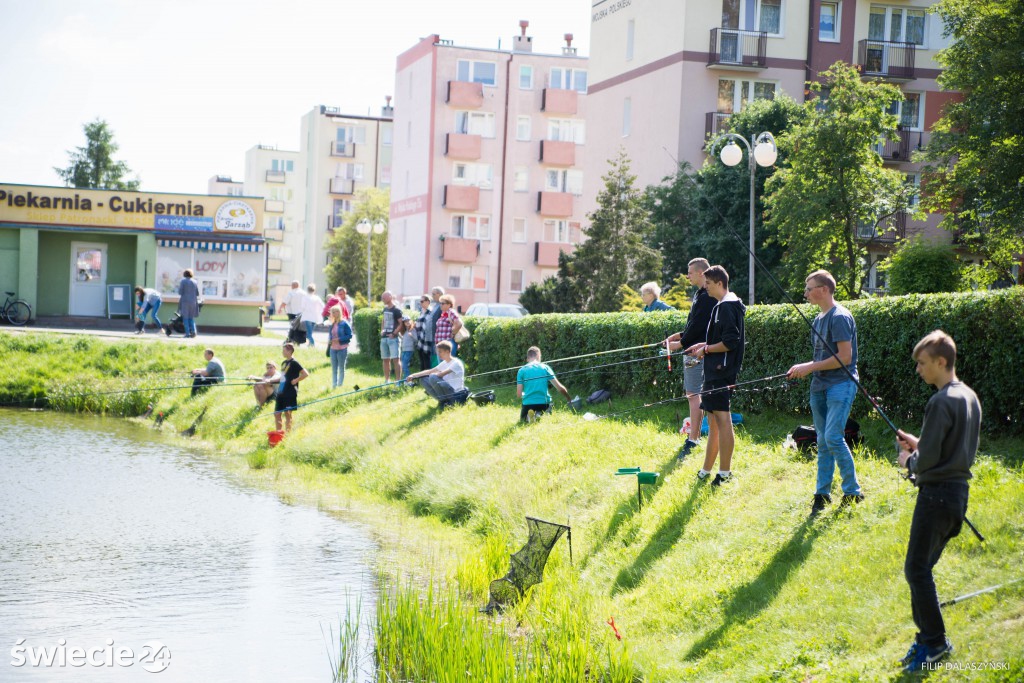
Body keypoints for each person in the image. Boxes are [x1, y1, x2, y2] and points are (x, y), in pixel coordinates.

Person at [894, 331, 980, 672]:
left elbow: (926, 460)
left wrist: (909, 461)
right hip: (957, 495)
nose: (919, 370)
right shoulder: (968, 397)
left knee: (916, 569)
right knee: (922, 569)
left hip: (936, 496)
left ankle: (934, 642)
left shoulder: (941, 401)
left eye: (923, 363)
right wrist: (920, 443)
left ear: (941, 362)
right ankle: (929, 637)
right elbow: (947, 446)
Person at [786, 270, 864, 514]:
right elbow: (822, 357)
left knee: (832, 437)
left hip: (841, 384)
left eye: (810, 288)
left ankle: (853, 492)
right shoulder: (819, 319)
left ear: (824, 289)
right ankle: (822, 493)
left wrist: (809, 367)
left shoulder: (840, 317)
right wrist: (805, 369)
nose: (806, 293)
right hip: (818, 386)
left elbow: (844, 357)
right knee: (822, 439)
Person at [683, 265, 745, 486]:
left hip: (721, 373)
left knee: (723, 420)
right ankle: (706, 469)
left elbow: (730, 342)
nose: (705, 287)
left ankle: (725, 472)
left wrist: (706, 350)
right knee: (714, 422)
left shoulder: (727, 307)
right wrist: (704, 344)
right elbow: (721, 339)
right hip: (713, 372)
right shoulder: (722, 305)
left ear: (719, 283)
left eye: (708, 283)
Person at [664, 258, 716, 459]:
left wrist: (681, 344)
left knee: (693, 395)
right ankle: (696, 436)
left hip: (697, 352)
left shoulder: (706, 296)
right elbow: (694, 324)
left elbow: (700, 328)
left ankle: (693, 439)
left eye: (690, 273)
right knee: (695, 394)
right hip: (694, 349)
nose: (687, 276)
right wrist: (678, 336)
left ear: (701, 273)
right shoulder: (701, 294)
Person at [516, 346, 572, 422]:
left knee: (523, 421)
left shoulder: (521, 370)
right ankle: (539, 414)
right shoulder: (545, 367)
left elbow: (519, 394)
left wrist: (525, 394)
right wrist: (568, 398)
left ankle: (529, 417)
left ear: (527, 358)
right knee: (546, 409)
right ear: (538, 355)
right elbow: (559, 387)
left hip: (528, 404)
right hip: (543, 403)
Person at [407, 340, 465, 407]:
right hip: (446, 391)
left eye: (440, 352)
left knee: (432, 377)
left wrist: (434, 375)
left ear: (447, 351)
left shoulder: (456, 363)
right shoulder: (444, 363)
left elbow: (440, 374)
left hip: (455, 393)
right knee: (423, 379)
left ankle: (444, 402)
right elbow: (429, 371)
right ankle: (443, 401)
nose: (438, 354)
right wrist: (413, 376)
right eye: (438, 352)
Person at [275, 342, 309, 432]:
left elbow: (305, 374)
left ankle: (288, 434)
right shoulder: (283, 363)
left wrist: (296, 380)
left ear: (289, 351)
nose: (282, 352)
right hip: (281, 392)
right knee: (277, 413)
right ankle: (279, 434)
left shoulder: (294, 363)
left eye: (284, 350)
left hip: (290, 392)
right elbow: (282, 377)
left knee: (288, 414)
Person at [326, 305, 353, 389]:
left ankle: (340, 385)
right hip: (333, 349)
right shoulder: (332, 324)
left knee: (341, 367)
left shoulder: (344, 323)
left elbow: (350, 335)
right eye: (332, 312)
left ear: (340, 312)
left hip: (342, 348)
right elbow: (330, 335)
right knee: (334, 368)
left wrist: (339, 339)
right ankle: (334, 385)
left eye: (336, 311)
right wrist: (330, 340)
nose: (334, 313)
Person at [380, 291, 403, 382]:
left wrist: (394, 334)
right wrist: (382, 331)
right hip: (384, 338)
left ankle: (398, 381)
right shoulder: (385, 309)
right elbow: (383, 321)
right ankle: (387, 380)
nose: (383, 299)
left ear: (390, 297)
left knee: (395, 360)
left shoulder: (397, 310)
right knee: (385, 360)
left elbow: (401, 324)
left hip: (393, 339)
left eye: (384, 297)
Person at [433, 293, 463, 358]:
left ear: (449, 304)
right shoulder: (443, 314)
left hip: (447, 344)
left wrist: (453, 333)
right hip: (441, 344)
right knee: (442, 366)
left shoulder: (451, 312)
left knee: (447, 366)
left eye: (442, 303)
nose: (440, 305)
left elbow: (459, 323)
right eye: (440, 303)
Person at [300, 283, 324, 348]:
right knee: (310, 332)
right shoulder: (317, 298)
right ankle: (310, 343)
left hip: (307, 316)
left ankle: (312, 343)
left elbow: (302, 307)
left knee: (308, 333)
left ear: (307, 290)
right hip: (315, 316)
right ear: (314, 290)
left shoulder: (305, 297)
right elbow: (322, 306)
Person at [177, 269, 200, 338]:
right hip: (193, 302)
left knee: (185, 318)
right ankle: (193, 331)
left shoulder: (183, 281)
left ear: (184, 274)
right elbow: (197, 293)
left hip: (185, 301)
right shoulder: (195, 282)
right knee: (191, 318)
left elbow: (180, 292)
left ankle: (187, 333)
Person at [413, 295, 434, 370]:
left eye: (422, 301)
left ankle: (427, 380)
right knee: (422, 361)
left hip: (427, 340)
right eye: (420, 301)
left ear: (428, 302)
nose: (420, 303)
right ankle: (422, 380)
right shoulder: (421, 312)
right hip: (420, 339)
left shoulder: (431, 312)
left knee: (427, 361)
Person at [428, 286, 445, 365]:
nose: (432, 296)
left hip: (440, 337)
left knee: (439, 358)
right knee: (434, 357)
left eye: (433, 294)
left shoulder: (442, 306)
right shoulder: (436, 305)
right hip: (433, 337)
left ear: (439, 294)